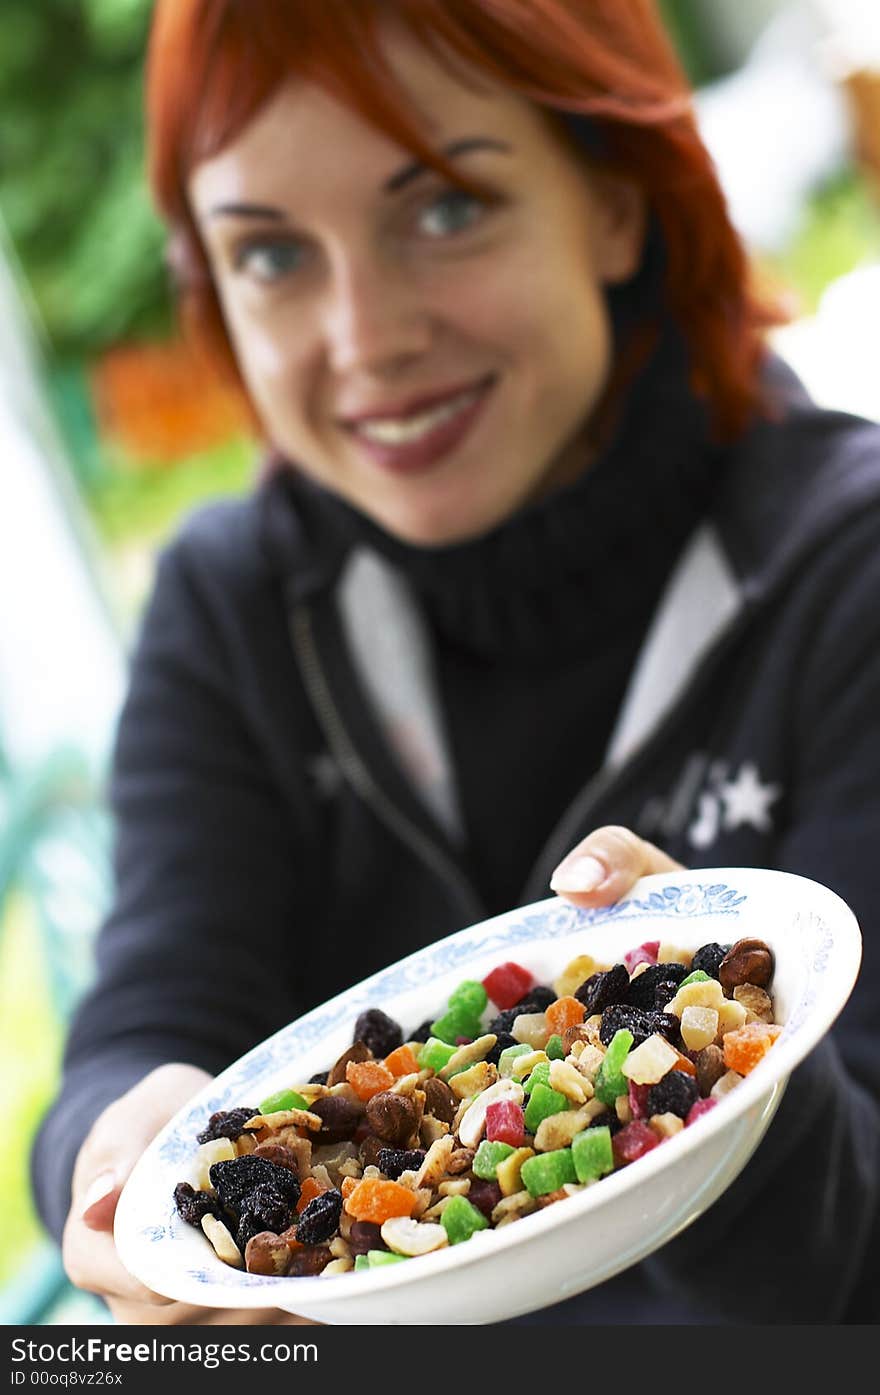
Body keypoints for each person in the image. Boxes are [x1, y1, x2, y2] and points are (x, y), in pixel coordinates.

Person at [33, 0, 879, 1325]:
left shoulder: (850, 568)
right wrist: (121, 1151)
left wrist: (703, 1073)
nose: (365, 339)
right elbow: (155, 1007)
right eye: (270, 255)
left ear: (614, 201)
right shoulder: (233, 602)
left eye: (442, 212)